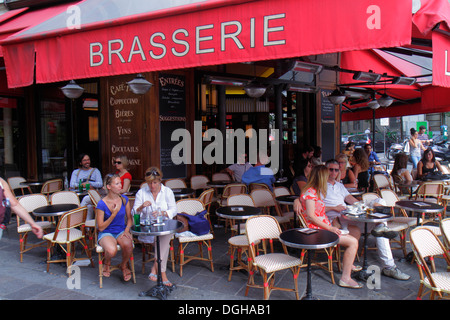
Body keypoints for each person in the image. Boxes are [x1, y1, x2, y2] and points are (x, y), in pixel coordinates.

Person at [321, 159, 410, 281]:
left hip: (348, 216)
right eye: (331, 169)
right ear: (325, 170)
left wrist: (365, 206)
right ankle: (389, 266)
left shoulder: (340, 186)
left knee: (380, 205)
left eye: (336, 170)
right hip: (336, 222)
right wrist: (333, 207)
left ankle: (388, 264)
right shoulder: (320, 186)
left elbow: (352, 200)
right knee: (380, 227)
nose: (334, 172)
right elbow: (314, 207)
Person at [298, 165, 362, 289]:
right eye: (326, 175)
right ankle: (345, 278)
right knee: (353, 242)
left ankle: (347, 266)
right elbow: (311, 216)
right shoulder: (311, 192)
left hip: (322, 228)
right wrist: (330, 228)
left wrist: (332, 214)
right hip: (316, 231)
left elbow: (316, 210)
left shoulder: (314, 191)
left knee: (354, 233)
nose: (329, 177)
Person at [133, 167, 177, 286]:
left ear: (160, 180)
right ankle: (161, 273)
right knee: (163, 244)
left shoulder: (167, 192)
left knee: (163, 239)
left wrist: (162, 213)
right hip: (148, 227)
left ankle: (158, 271)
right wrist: (141, 207)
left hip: (164, 225)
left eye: (155, 182)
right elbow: (134, 213)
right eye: (149, 183)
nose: (152, 186)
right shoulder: (142, 192)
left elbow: (174, 210)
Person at [96, 173, 134, 281]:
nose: (120, 186)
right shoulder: (101, 204)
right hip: (106, 232)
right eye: (117, 184)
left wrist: (127, 230)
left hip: (121, 231)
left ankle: (123, 265)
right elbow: (101, 227)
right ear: (109, 187)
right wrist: (113, 214)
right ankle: (107, 262)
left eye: (120, 183)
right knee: (112, 251)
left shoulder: (124, 199)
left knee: (128, 245)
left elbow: (129, 219)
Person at [70, 153, 103, 220]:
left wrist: (89, 183)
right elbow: (72, 184)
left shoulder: (95, 171)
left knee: (89, 204)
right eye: (84, 160)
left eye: (88, 160)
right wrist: (81, 185)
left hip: (91, 195)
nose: (87, 162)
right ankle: (86, 226)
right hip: (79, 195)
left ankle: (79, 220)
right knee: (88, 206)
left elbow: (100, 184)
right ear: (80, 162)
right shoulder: (76, 172)